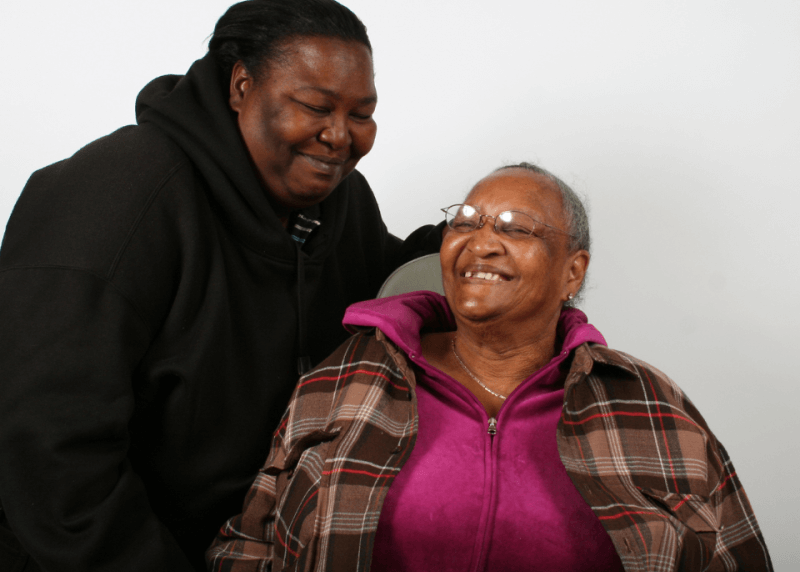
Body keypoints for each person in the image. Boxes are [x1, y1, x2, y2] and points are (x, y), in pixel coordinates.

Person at [0, 1, 442, 570]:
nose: (339, 136)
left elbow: (382, 285)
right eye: (315, 106)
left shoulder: (337, 204)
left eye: (362, 114)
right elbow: (48, 454)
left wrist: (482, 239)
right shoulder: (112, 195)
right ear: (240, 86)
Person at [207, 163, 773, 572]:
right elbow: (249, 544)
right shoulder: (349, 376)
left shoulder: (649, 404)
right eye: (467, 223)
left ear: (573, 271)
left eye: (515, 228)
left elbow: (734, 553)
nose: (481, 243)